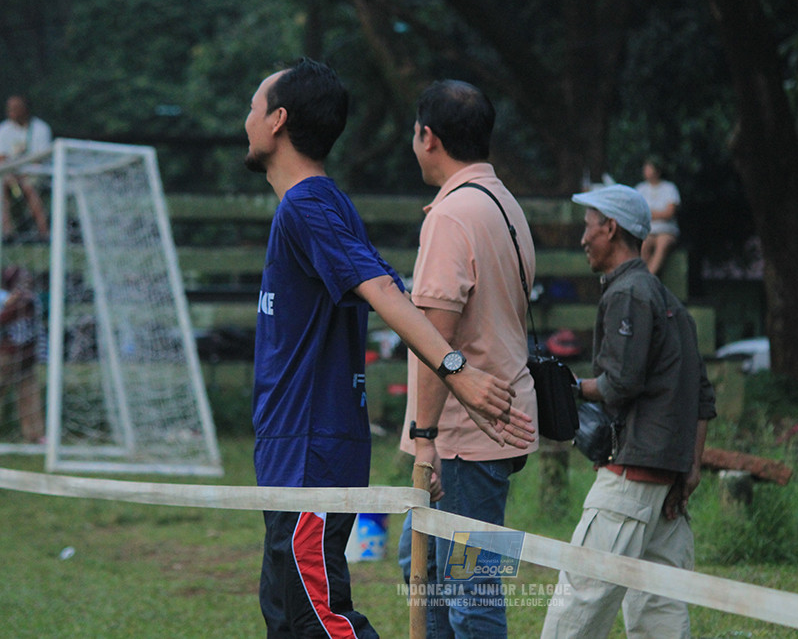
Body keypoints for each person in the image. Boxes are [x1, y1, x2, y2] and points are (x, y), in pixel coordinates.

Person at [242, 59, 535, 639]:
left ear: (277, 121)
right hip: (293, 449)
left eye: (252, 109)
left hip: (311, 452)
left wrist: (456, 370)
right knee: (285, 614)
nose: (244, 121)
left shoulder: (310, 206)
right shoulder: (315, 206)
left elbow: (385, 291)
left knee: (318, 618)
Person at [396, 79, 539, 638]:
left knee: (466, 590)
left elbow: (435, 339)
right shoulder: (504, 203)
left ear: (428, 137)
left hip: (462, 432)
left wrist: (424, 437)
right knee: (424, 571)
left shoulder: (452, 216)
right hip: (494, 418)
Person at [541, 184, 716, 639]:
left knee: (578, 602)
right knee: (660, 615)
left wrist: (570, 387)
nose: (583, 238)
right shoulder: (670, 301)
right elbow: (702, 396)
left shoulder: (628, 293)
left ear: (611, 228)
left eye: (588, 226)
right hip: (667, 487)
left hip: (629, 480)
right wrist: (691, 468)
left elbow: (620, 384)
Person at [0, 265, 44, 443]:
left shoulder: (27, 300)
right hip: (8, 355)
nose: (27, 280)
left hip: (24, 354)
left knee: (29, 395)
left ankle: (34, 435)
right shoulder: (9, 299)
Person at [0, 95, 52, 240]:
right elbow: (0, 157)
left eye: (15, 108)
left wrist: (23, 174)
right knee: (1, 186)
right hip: (10, 175)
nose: (11, 111)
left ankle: (44, 231)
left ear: (25, 109)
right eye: (10, 108)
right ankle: (7, 232)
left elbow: (40, 159)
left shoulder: (41, 129)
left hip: (35, 174)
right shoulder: (2, 129)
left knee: (28, 186)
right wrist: (13, 175)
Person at [634, 156, 680, 275]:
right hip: (648, 230)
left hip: (666, 230)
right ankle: (645, 277)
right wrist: (657, 213)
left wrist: (650, 213)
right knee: (643, 247)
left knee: (662, 245)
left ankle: (649, 278)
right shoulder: (640, 188)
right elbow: (637, 212)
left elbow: (669, 213)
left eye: (649, 168)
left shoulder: (669, 188)